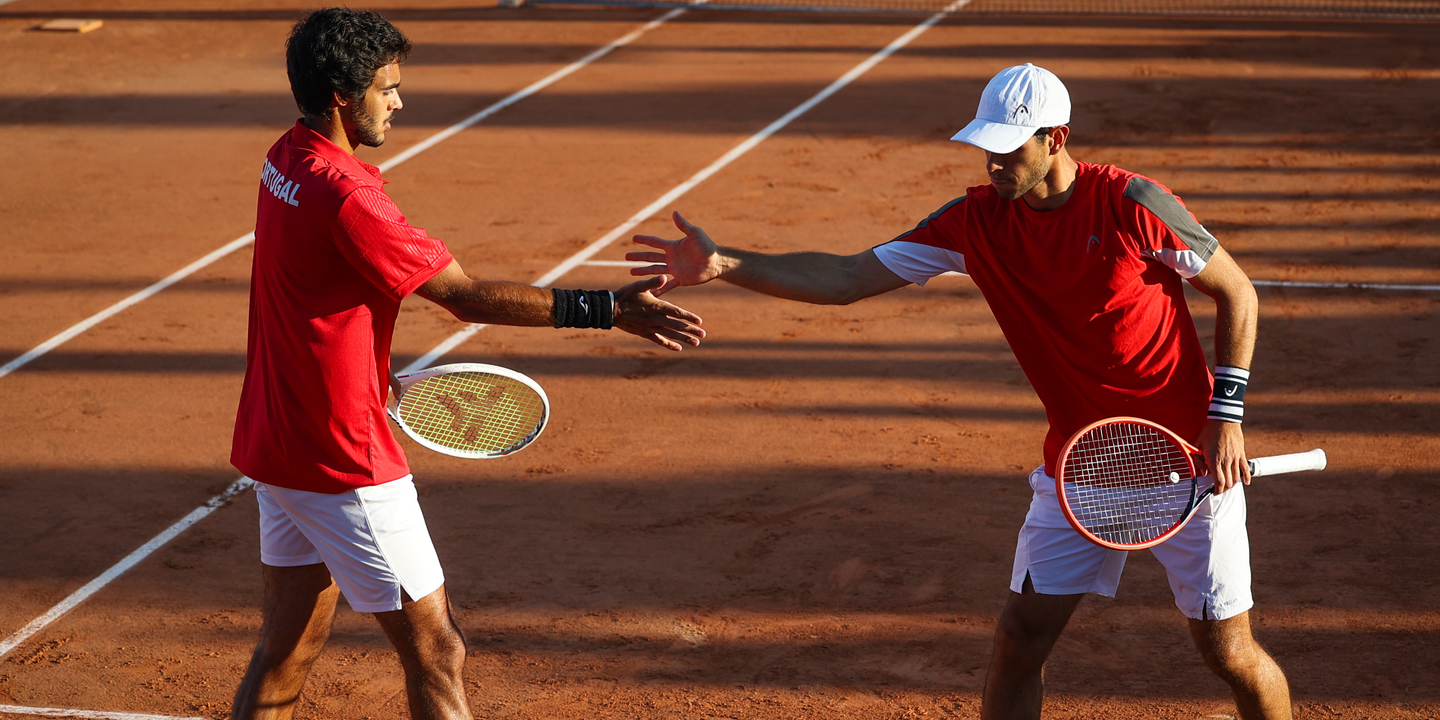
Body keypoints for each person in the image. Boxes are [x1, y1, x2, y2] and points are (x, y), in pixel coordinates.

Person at [627, 63, 1290, 719]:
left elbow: (1237, 291)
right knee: (1018, 642)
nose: (992, 162)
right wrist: (724, 265)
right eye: (985, 147)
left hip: (1185, 463)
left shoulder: (1134, 205)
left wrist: (1225, 414)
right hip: (1077, 469)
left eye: (1008, 147)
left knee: (1229, 654)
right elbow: (848, 277)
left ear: (1055, 139)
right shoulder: (975, 223)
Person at [229, 8, 704, 720]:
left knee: (288, 648)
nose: (398, 101)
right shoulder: (351, 198)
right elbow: (464, 296)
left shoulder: (286, 158)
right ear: (341, 96)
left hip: (278, 435)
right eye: (386, 88)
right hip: (342, 457)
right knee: (437, 652)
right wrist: (607, 309)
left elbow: (309, 296)